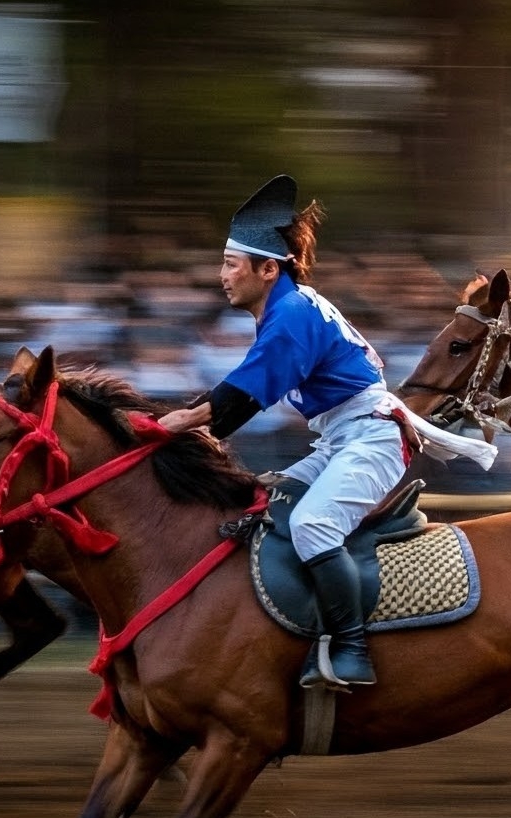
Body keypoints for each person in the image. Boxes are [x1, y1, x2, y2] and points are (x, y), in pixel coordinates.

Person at [159, 176, 493, 686]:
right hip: (345, 437)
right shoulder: (291, 306)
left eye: (230, 264)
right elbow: (244, 391)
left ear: (268, 269)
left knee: (312, 525)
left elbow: (241, 393)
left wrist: (171, 423)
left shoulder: (291, 312)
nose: (221, 276)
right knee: (265, 503)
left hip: (372, 437)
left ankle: (352, 649)